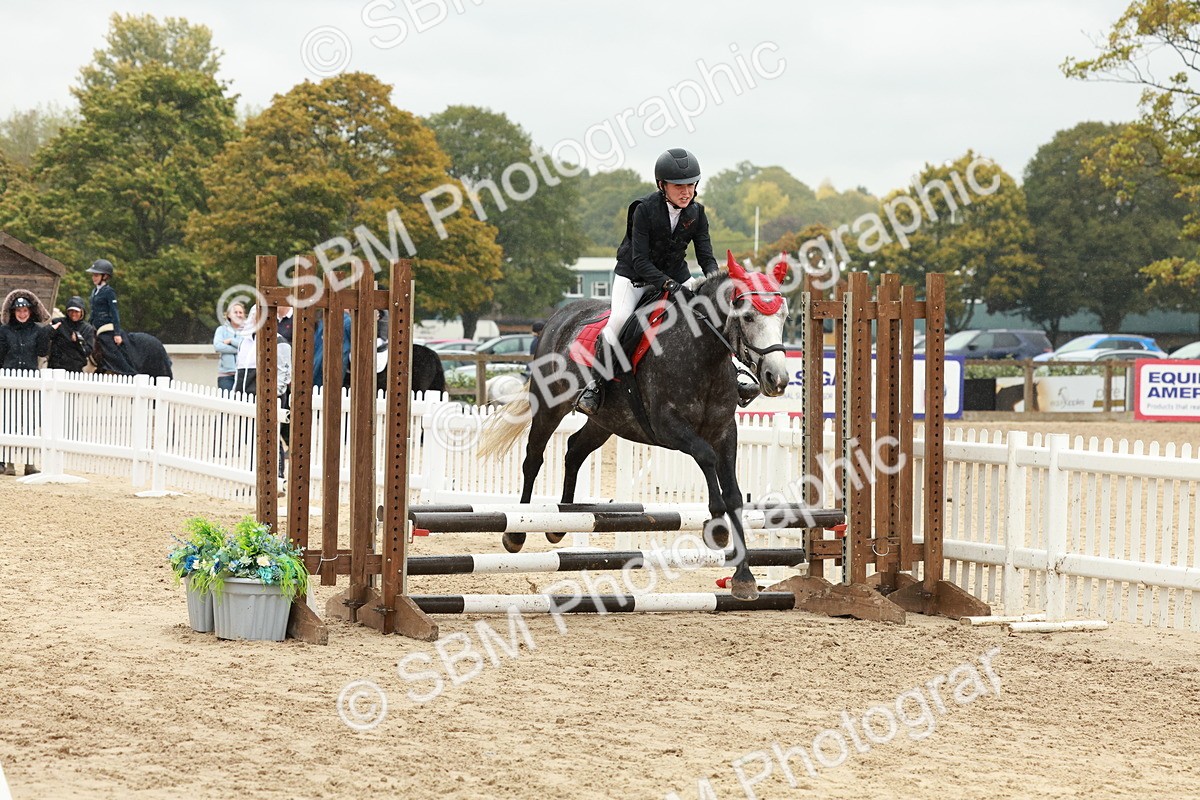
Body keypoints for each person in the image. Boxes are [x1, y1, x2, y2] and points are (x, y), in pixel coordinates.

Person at [574, 147, 719, 415]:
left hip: (676, 276)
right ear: (662, 185)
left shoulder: (697, 213)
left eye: (690, 184)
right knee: (618, 320)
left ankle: (734, 375)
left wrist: (715, 282)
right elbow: (640, 261)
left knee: (711, 314)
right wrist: (669, 285)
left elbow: (706, 256)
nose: (686, 192)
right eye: (678, 186)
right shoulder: (643, 209)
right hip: (634, 279)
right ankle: (595, 385)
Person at [0, 291, 51, 475]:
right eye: (18, 310)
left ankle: (29, 463)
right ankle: (10, 463)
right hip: (9, 380)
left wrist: (47, 333)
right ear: (13, 312)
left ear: (30, 311)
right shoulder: (4, 330)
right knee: (9, 422)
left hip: (30, 379)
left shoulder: (38, 330)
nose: (22, 314)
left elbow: (42, 352)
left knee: (29, 422)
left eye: (25, 310)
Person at [86, 258, 138, 375]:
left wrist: (117, 333)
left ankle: (127, 371)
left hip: (106, 328)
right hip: (94, 326)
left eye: (96, 275)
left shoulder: (109, 292)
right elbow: (93, 311)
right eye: (93, 275)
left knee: (109, 348)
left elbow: (115, 313)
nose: (93, 278)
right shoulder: (94, 291)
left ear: (104, 276)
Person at [48, 295, 96, 373]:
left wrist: (78, 342)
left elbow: (87, 351)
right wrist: (48, 330)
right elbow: (46, 339)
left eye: (76, 311)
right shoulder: (58, 323)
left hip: (75, 370)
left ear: (82, 312)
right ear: (67, 311)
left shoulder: (88, 329)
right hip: (55, 368)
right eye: (71, 311)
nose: (73, 314)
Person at [213, 302, 246, 392]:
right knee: (227, 403)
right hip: (225, 376)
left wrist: (231, 341)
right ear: (229, 315)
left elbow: (246, 347)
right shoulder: (221, 330)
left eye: (240, 312)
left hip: (243, 375)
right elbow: (218, 346)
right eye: (235, 312)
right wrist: (238, 349)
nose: (238, 315)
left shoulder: (248, 331)